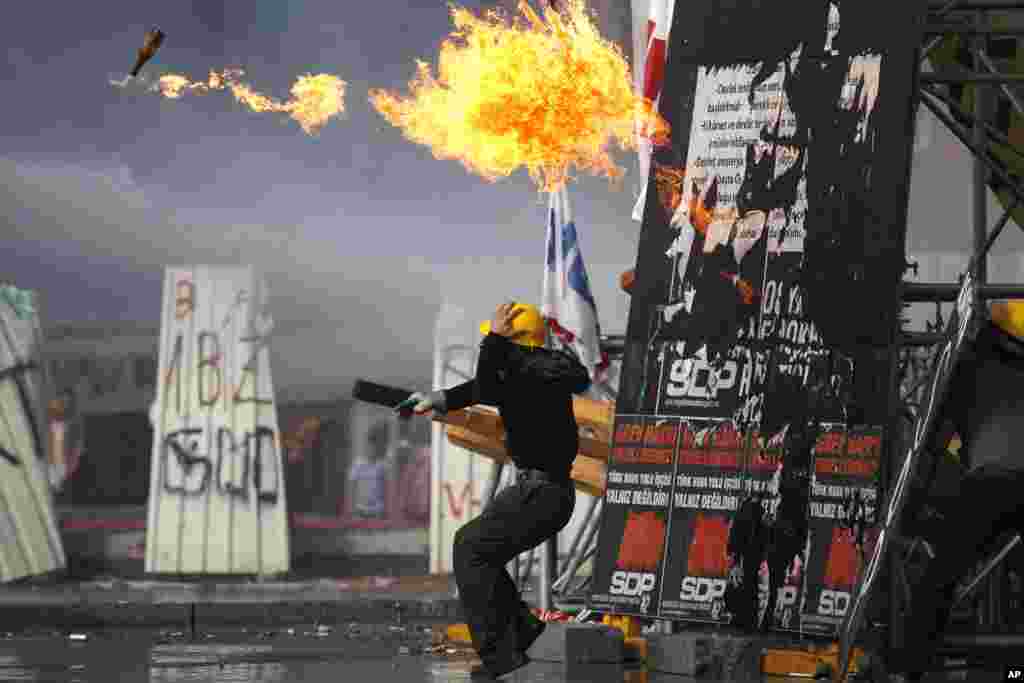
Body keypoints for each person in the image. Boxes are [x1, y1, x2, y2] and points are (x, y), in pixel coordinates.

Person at [397, 301, 590, 679]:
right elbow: (485, 388)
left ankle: (502, 658)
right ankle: (521, 629)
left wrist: (494, 342)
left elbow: (487, 384)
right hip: (543, 493)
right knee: (478, 552)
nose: (491, 341)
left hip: (542, 493)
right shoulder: (537, 370)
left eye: (499, 337)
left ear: (515, 341)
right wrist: (437, 398)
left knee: (470, 549)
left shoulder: (531, 373)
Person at [887, 301, 1024, 681]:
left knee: (940, 578)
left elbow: (937, 439)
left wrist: (917, 497)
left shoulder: (970, 368)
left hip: (987, 482)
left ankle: (909, 669)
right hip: (999, 478)